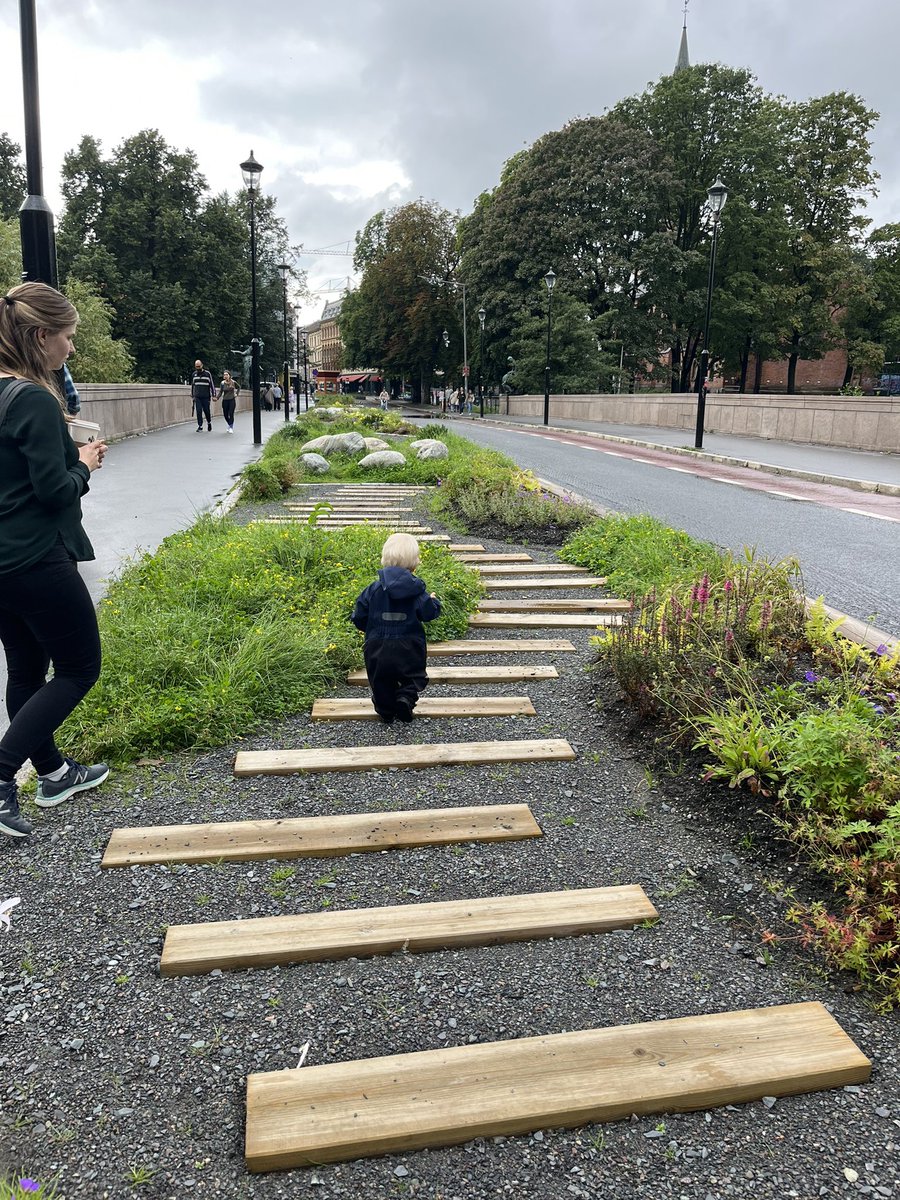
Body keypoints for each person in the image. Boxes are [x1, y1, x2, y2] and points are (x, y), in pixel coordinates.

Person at [0, 282, 110, 839]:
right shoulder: (35, 399)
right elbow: (55, 493)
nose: (71, 349)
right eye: (67, 338)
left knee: (25, 670)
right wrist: (85, 463)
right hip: (37, 558)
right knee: (77, 668)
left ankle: (53, 773)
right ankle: (1, 777)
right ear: (41, 336)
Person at [350, 533, 441, 724]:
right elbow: (428, 614)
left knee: (380, 678)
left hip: (377, 645)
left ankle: (385, 710)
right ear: (414, 564)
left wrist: (368, 629)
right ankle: (405, 698)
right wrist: (433, 602)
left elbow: (359, 616)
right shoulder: (417, 592)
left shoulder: (373, 589)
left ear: (385, 559)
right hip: (410, 645)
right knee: (414, 676)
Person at [191, 359, 216, 431]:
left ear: (202, 365)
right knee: (198, 411)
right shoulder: (194, 374)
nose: (198, 368)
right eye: (196, 366)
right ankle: (200, 426)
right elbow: (193, 386)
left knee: (206, 411)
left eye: (199, 366)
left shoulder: (207, 374)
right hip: (197, 396)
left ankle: (209, 422)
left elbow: (211, 385)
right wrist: (193, 395)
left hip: (206, 396)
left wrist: (214, 394)